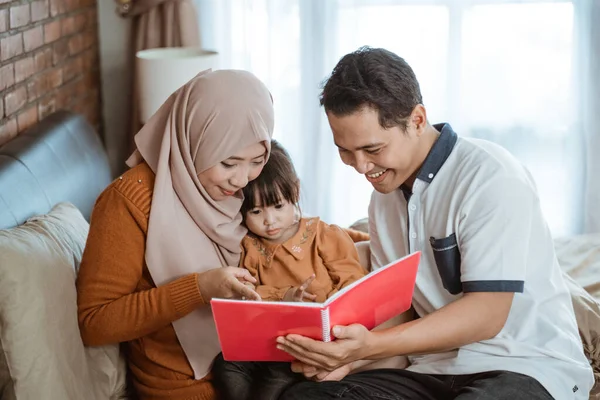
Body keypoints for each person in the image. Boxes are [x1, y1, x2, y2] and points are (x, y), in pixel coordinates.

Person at [276, 47, 594, 400]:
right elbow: (402, 307)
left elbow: (487, 313)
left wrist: (369, 346)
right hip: (432, 368)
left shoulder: (489, 176)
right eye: (345, 151)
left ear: (417, 119)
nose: (362, 167)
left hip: (523, 365)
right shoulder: (384, 198)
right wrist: (343, 358)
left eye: (373, 149)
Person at [76, 69, 274, 400]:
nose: (242, 179)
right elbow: (95, 322)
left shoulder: (240, 187)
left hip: (262, 365)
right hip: (189, 387)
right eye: (228, 163)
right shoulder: (130, 201)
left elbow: (289, 225)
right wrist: (199, 288)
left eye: (257, 160)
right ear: (193, 140)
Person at [212, 139, 368, 400]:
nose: (269, 220)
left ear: (294, 192)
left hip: (307, 345)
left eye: (278, 206)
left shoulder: (323, 236)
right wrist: (283, 297)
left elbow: (354, 282)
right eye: (256, 211)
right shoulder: (249, 247)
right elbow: (247, 294)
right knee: (226, 365)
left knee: (274, 380)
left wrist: (330, 310)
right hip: (265, 342)